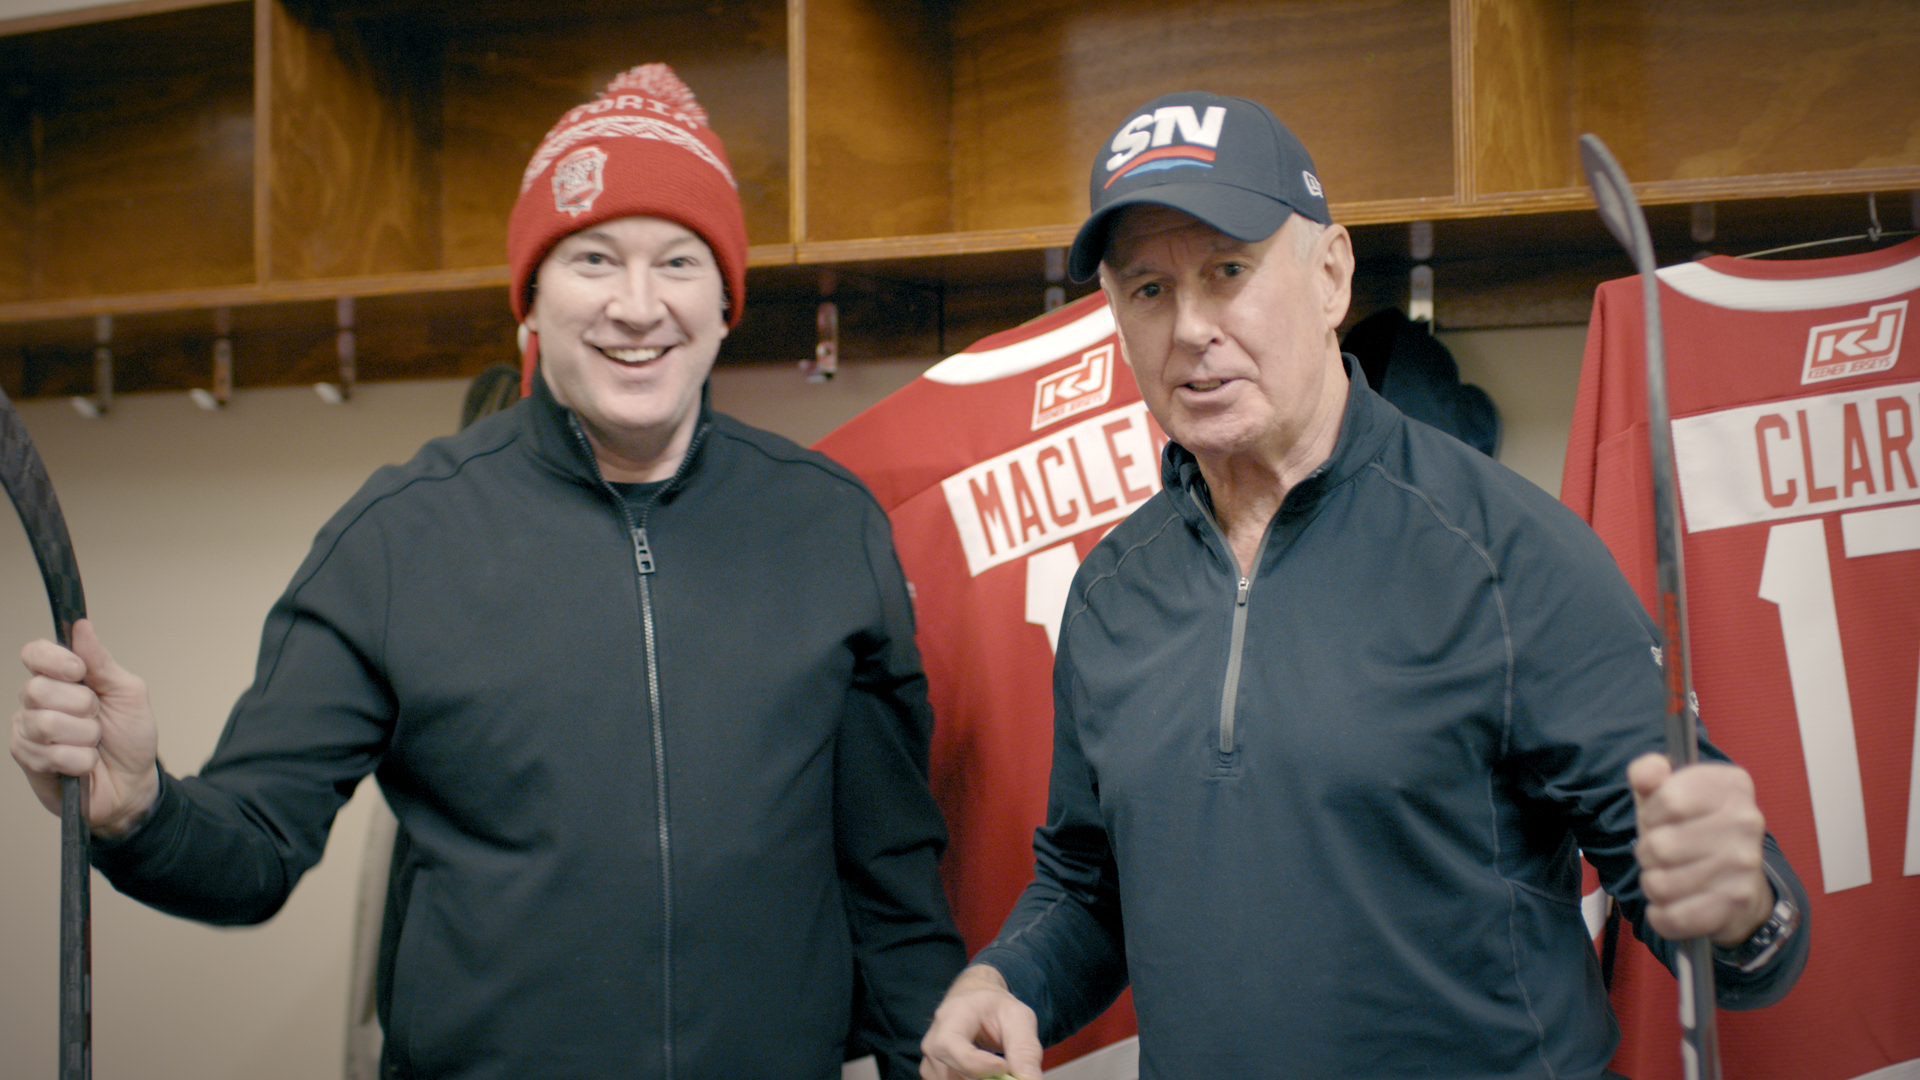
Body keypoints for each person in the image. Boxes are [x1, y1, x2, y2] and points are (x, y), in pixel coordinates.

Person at [10, 64, 964, 1080]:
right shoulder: (397, 539)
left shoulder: (828, 526)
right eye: (593, 259)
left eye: (680, 262)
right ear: (532, 301)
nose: (638, 306)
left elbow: (893, 892)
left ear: (725, 300)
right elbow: (255, 847)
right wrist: (138, 808)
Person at [917, 91, 1809, 1080]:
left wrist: (1745, 910)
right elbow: (1088, 887)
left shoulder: (1507, 553)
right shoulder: (1111, 592)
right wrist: (1003, 982)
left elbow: (1730, 919)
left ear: (1331, 274)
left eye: (1228, 272)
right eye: (1149, 290)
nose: (1191, 328)